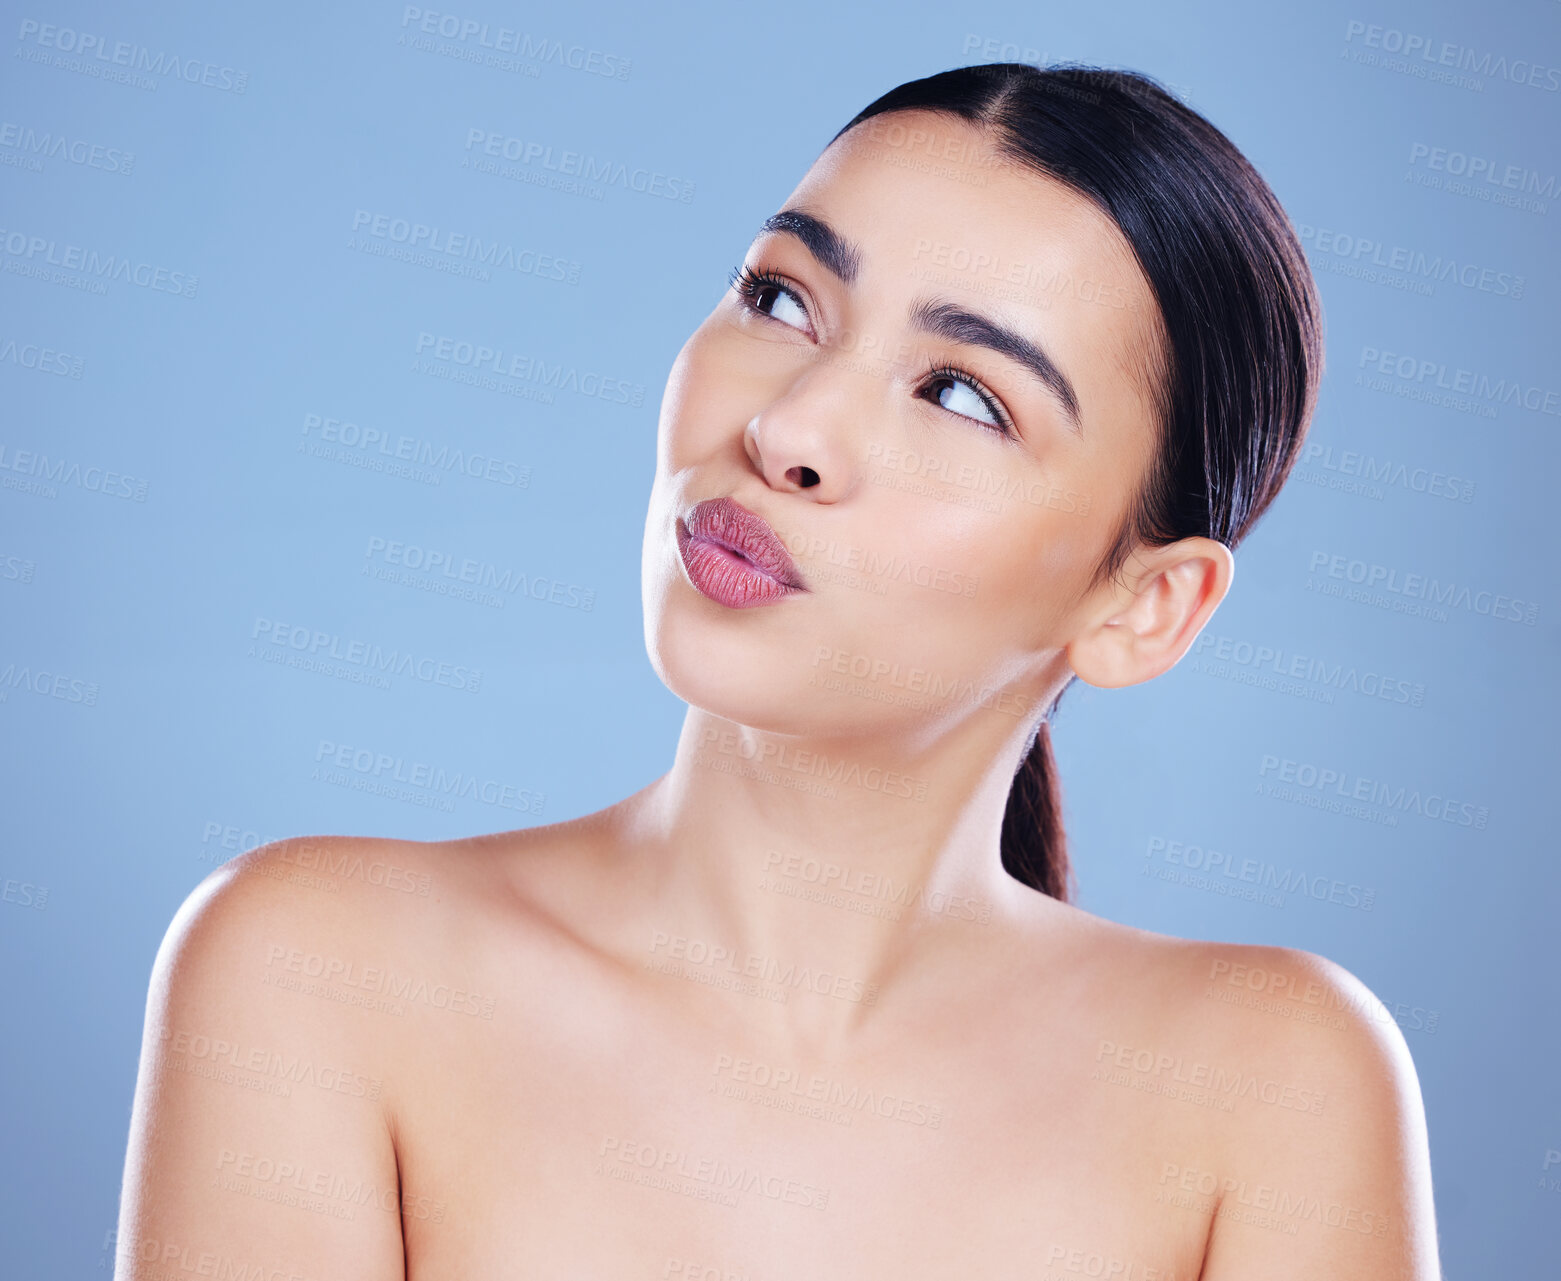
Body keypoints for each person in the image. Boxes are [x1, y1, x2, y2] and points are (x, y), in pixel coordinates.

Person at [114, 63, 1439, 1279]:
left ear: (1144, 605)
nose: (786, 427)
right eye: (781, 299)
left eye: (962, 394)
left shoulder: (1270, 1084)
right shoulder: (317, 971)